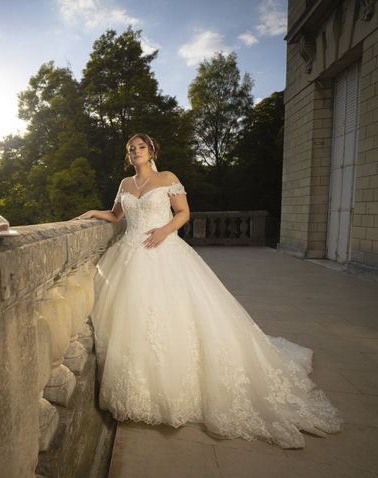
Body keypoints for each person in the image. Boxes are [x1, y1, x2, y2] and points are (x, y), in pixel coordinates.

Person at [74, 133, 342, 449]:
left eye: (141, 146)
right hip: (130, 254)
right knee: (135, 321)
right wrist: (94, 213)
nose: (136, 151)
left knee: (174, 318)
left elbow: (184, 213)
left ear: (151, 149)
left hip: (163, 250)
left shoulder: (167, 178)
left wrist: (164, 230)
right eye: (131, 148)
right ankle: (141, 391)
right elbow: (117, 216)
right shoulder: (125, 184)